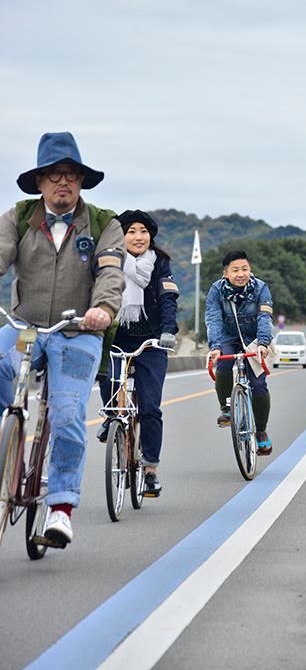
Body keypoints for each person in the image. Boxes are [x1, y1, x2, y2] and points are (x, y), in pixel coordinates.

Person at [0, 132, 125, 547]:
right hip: (25, 328)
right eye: (53, 175)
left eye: (71, 174)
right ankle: (8, 455)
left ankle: (60, 508)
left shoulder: (106, 224)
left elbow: (110, 271)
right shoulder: (17, 218)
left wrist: (103, 309)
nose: (63, 182)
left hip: (78, 331)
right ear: (39, 182)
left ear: (82, 181)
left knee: (67, 412)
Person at [97, 210, 179, 497]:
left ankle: (151, 469)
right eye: (131, 231)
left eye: (143, 231)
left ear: (150, 236)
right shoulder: (110, 260)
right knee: (107, 379)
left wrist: (169, 331)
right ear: (121, 235)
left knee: (149, 408)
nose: (138, 237)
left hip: (151, 342)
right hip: (117, 337)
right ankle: (112, 417)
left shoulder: (160, 264)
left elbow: (168, 298)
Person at [205, 249, 273, 455]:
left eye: (244, 269)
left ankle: (261, 431)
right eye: (235, 270)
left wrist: (263, 343)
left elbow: (265, 317)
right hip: (227, 338)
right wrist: (215, 347)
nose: (241, 274)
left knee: (259, 383)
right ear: (226, 273)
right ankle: (226, 408)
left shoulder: (261, 288)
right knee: (224, 363)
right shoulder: (216, 290)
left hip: (253, 340)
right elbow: (213, 318)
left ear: (250, 270)